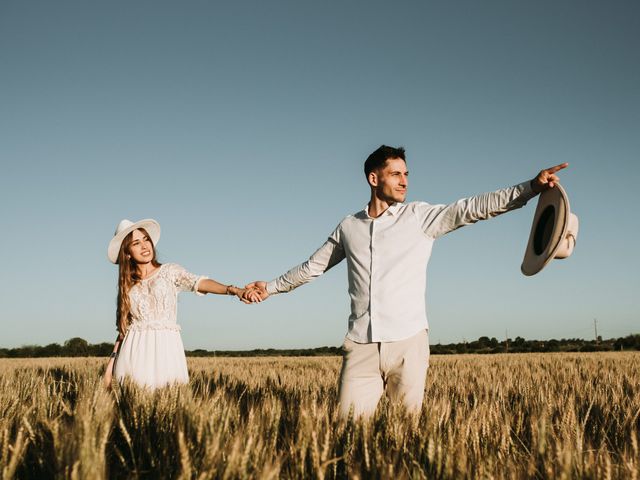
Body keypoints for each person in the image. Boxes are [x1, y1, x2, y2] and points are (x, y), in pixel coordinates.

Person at [245, 145, 568, 418]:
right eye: (396, 174)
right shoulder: (348, 226)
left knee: (407, 439)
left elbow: (473, 208)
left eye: (407, 175)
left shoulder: (419, 217)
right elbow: (312, 267)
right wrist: (270, 288)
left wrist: (530, 188)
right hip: (360, 347)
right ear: (374, 179)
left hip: (409, 344)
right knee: (348, 435)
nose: (404, 182)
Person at [103, 218, 258, 389]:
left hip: (166, 350)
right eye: (136, 243)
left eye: (146, 239)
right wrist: (110, 365)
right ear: (127, 253)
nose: (144, 246)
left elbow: (199, 282)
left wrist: (234, 290)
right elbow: (123, 330)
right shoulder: (127, 286)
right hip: (133, 352)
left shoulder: (169, 272)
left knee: (171, 406)